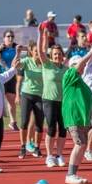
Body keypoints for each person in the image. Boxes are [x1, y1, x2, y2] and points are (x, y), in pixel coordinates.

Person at [63, 46, 92, 184]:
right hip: (73, 118)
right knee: (79, 144)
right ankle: (70, 174)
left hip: (82, 120)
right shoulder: (69, 76)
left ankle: (74, 173)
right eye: (79, 66)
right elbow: (78, 65)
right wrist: (91, 51)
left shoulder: (81, 81)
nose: (81, 69)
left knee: (83, 145)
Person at [36, 34, 68, 168]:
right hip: (49, 101)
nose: (57, 56)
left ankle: (59, 156)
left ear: (63, 55)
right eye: (55, 54)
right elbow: (39, 51)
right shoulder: (47, 65)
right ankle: (49, 156)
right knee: (51, 129)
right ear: (51, 55)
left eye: (59, 54)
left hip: (63, 103)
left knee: (63, 130)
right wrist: (40, 35)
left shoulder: (66, 70)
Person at [0, 30, 21, 131]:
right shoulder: (1, 47)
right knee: (0, 98)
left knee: (11, 99)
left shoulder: (15, 47)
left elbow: (28, 49)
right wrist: (5, 66)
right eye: (8, 36)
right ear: (4, 38)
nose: (10, 38)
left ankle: (13, 121)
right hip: (2, 74)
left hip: (12, 75)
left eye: (12, 36)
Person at [17, 41, 45, 160]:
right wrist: (17, 54)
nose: (38, 53)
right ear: (31, 52)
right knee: (24, 122)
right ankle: (23, 147)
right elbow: (15, 66)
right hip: (27, 95)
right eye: (35, 51)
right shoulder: (27, 61)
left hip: (40, 96)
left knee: (39, 124)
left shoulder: (45, 63)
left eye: (39, 51)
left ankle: (37, 148)